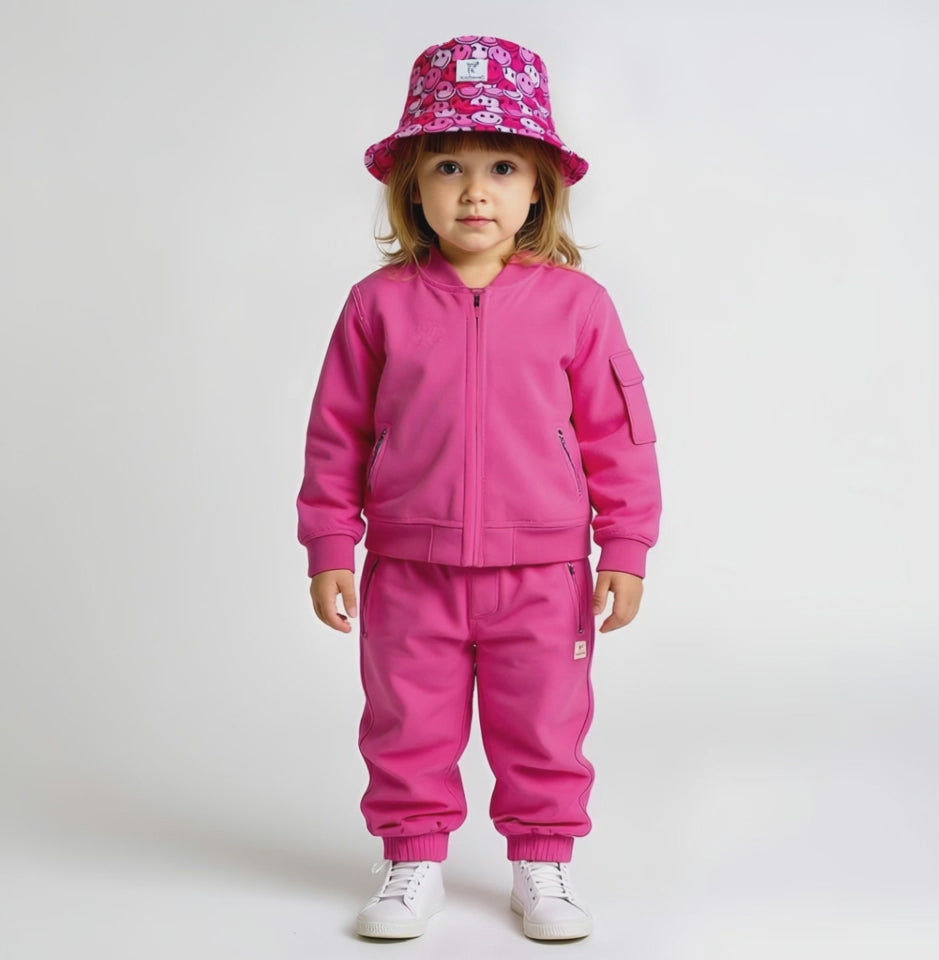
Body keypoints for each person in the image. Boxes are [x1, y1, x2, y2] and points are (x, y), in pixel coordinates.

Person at [295, 35, 662, 941]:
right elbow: (336, 434)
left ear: (539, 186)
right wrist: (330, 544)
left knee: (544, 725)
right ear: (411, 186)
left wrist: (625, 546)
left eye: (502, 167)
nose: (474, 191)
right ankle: (412, 863)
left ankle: (543, 865)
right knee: (405, 722)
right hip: (409, 570)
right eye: (448, 166)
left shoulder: (579, 306)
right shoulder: (377, 304)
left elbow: (620, 437)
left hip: (544, 574)